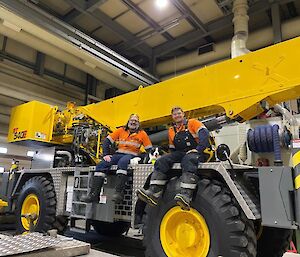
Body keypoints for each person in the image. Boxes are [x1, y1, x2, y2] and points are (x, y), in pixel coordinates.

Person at [137, 106, 214, 210]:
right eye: (175, 114)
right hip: (181, 153)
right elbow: (172, 148)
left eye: (179, 113)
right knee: (162, 161)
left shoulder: (193, 123)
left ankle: (186, 196)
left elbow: (204, 134)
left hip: (198, 152)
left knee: (188, 160)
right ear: (172, 117)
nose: (177, 115)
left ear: (183, 114)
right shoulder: (171, 130)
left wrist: (198, 149)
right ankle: (154, 193)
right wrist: (170, 158)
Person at [81, 114, 152, 203]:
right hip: (118, 155)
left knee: (123, 162)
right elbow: (107, 141)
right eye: (131, 120)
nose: (133, 122)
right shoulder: (121, 130)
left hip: (131, 156)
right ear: (128, 121)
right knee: (101, 164)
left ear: (138, 123)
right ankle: (94, 195)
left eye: (136, 121)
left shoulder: (142, 134)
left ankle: (118, 193)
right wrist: (106, 154)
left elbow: (149, 149)